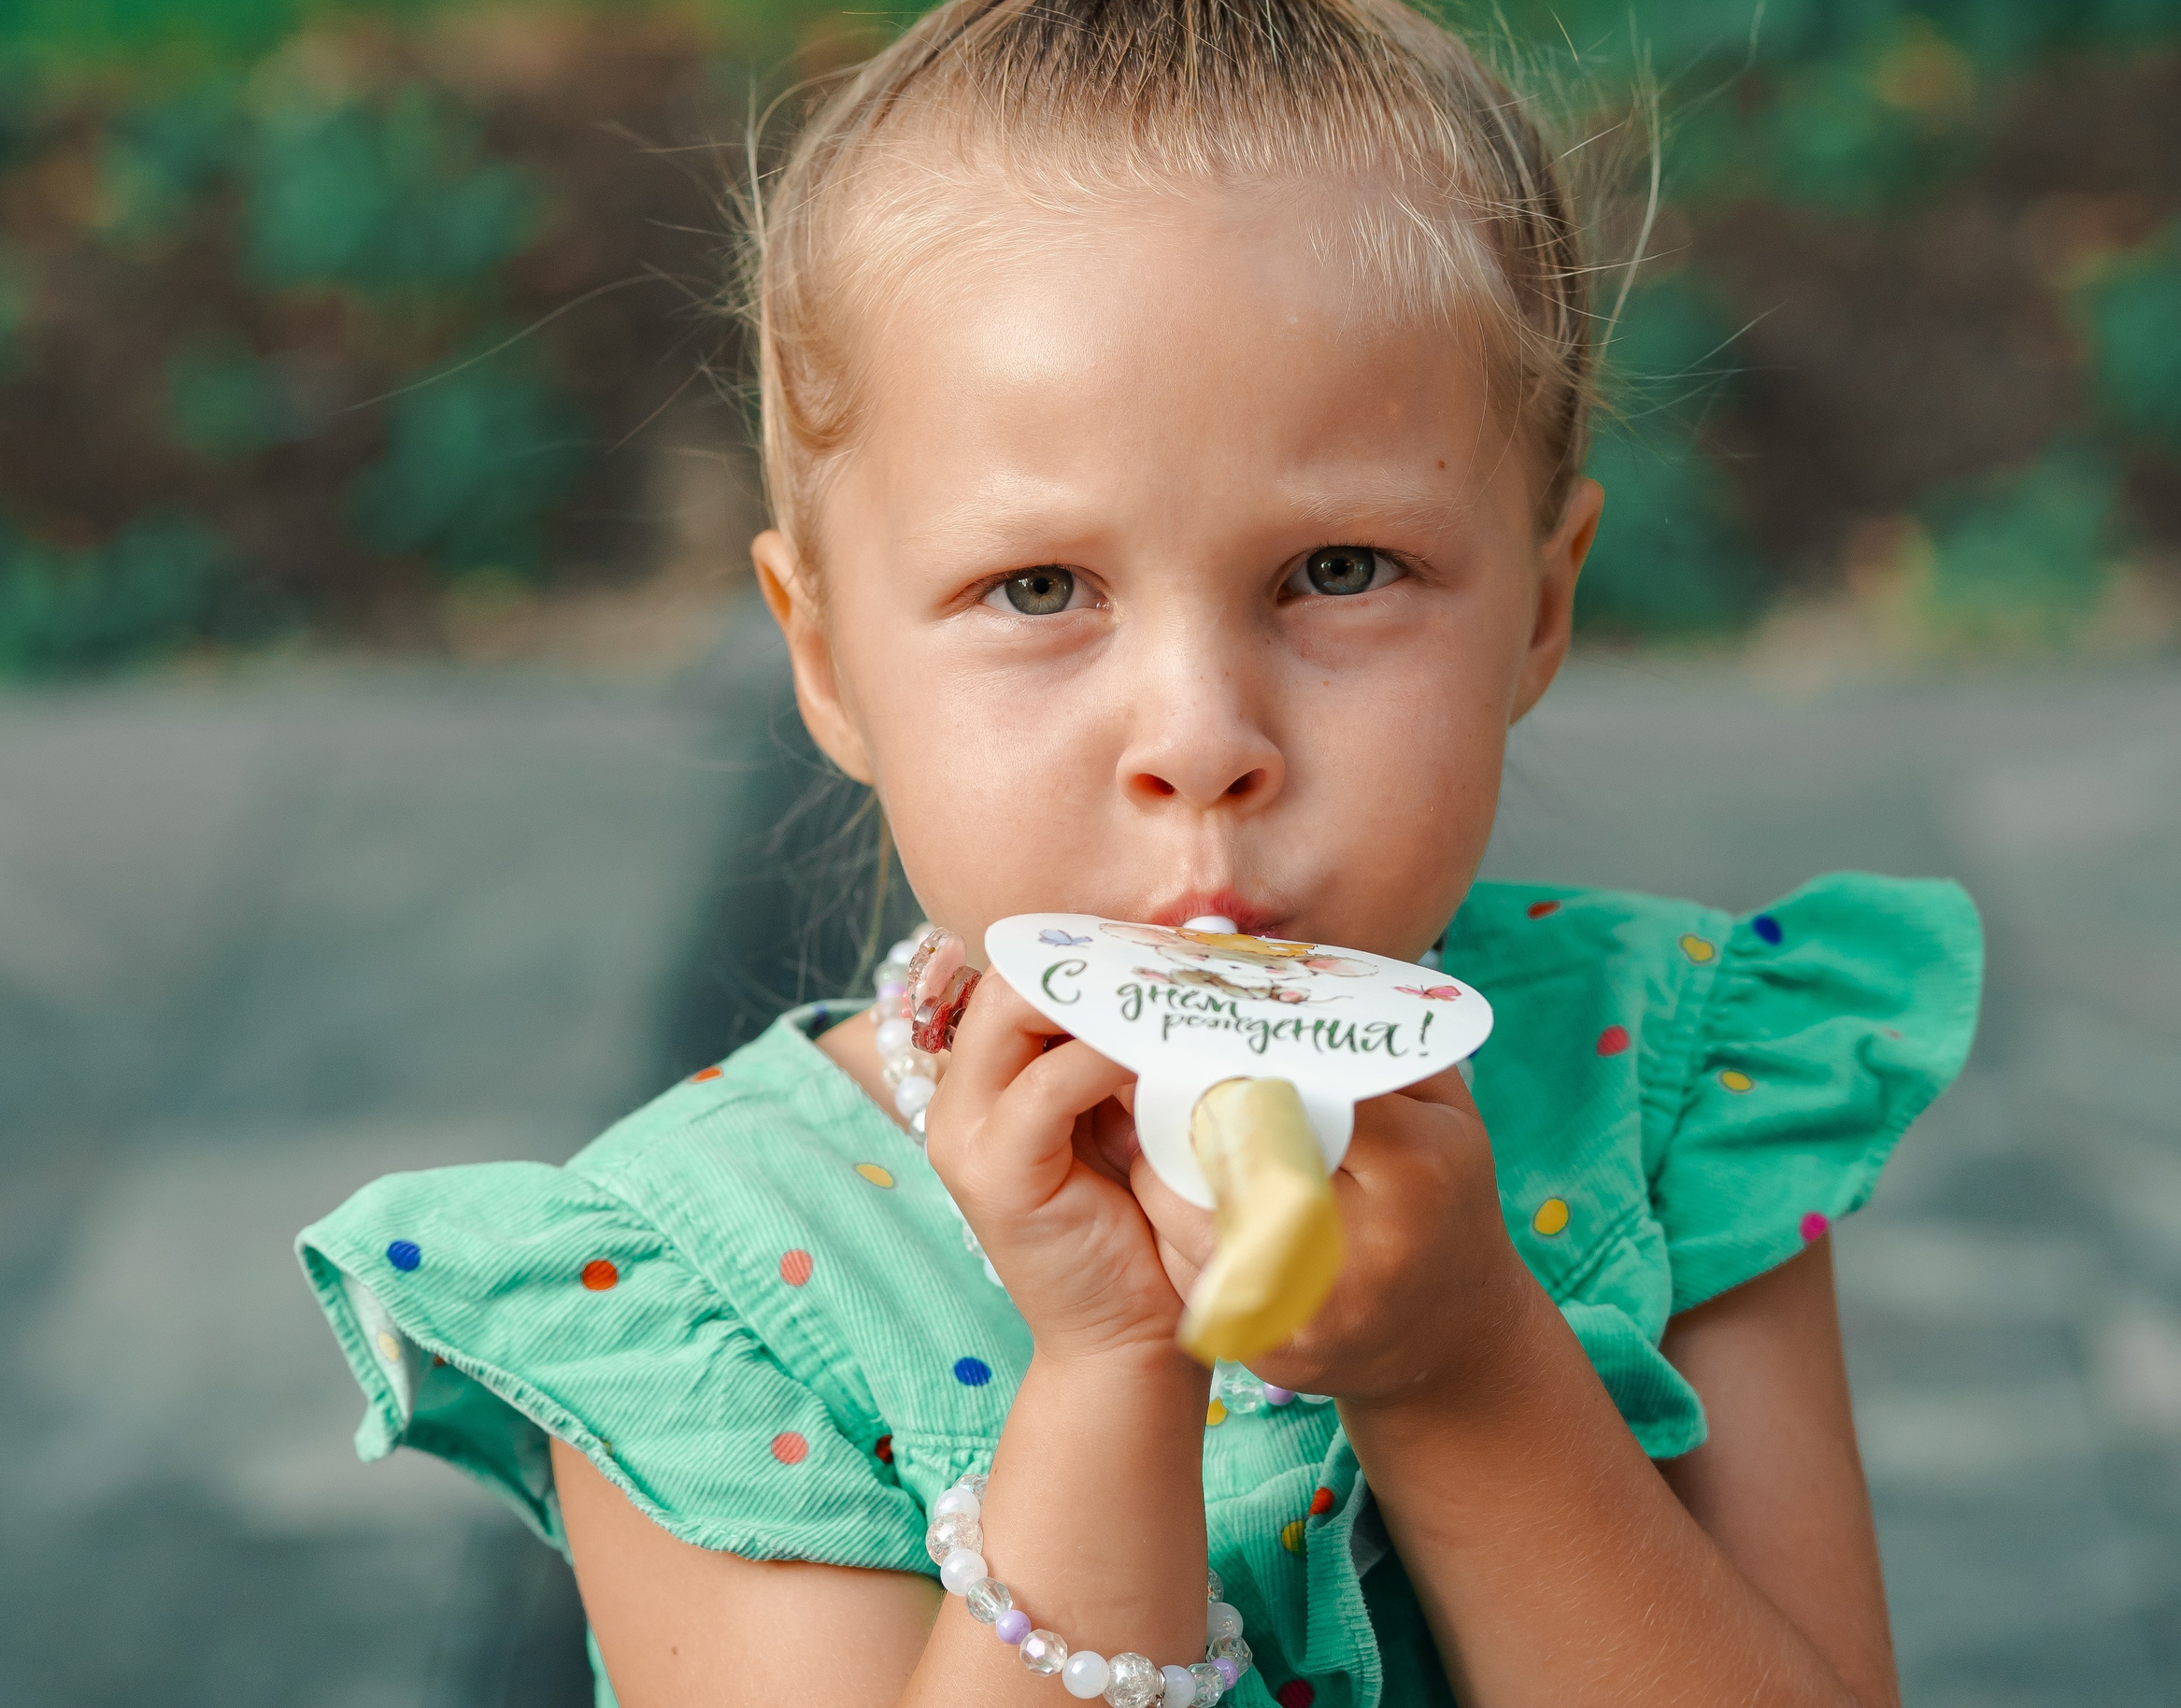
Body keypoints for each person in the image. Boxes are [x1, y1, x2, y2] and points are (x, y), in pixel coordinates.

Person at [297, 1, 1981, 1701]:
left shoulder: (1673, 1088)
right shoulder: (712, 1289)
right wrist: (1108, 1376)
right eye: (1038, 590)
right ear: (828, 661)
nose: (1199, 739)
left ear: (1540, 605)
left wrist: (1466, 1363)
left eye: (1338, 570)